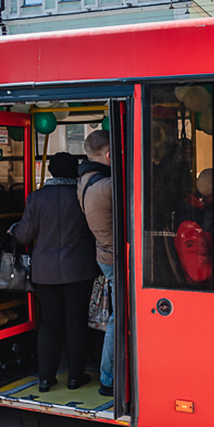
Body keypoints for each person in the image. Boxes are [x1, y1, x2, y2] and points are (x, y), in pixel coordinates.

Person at [11, 152, 99, 392]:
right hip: (79, 269)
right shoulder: (83, 197)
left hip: (45, 272)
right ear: (75, 172)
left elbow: (24, 235)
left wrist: (12, 230)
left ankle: (45, 378)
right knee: (76, 322)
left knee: (49, 323)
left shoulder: (37, 198)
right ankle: (75, 377)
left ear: (50, 171)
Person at [78, 130, 114, 398]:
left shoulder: (85, 181)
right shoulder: (107, 186)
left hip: (103, 255)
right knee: (119, 318)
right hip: (116, 258)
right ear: (110, 155)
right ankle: (109, 377)